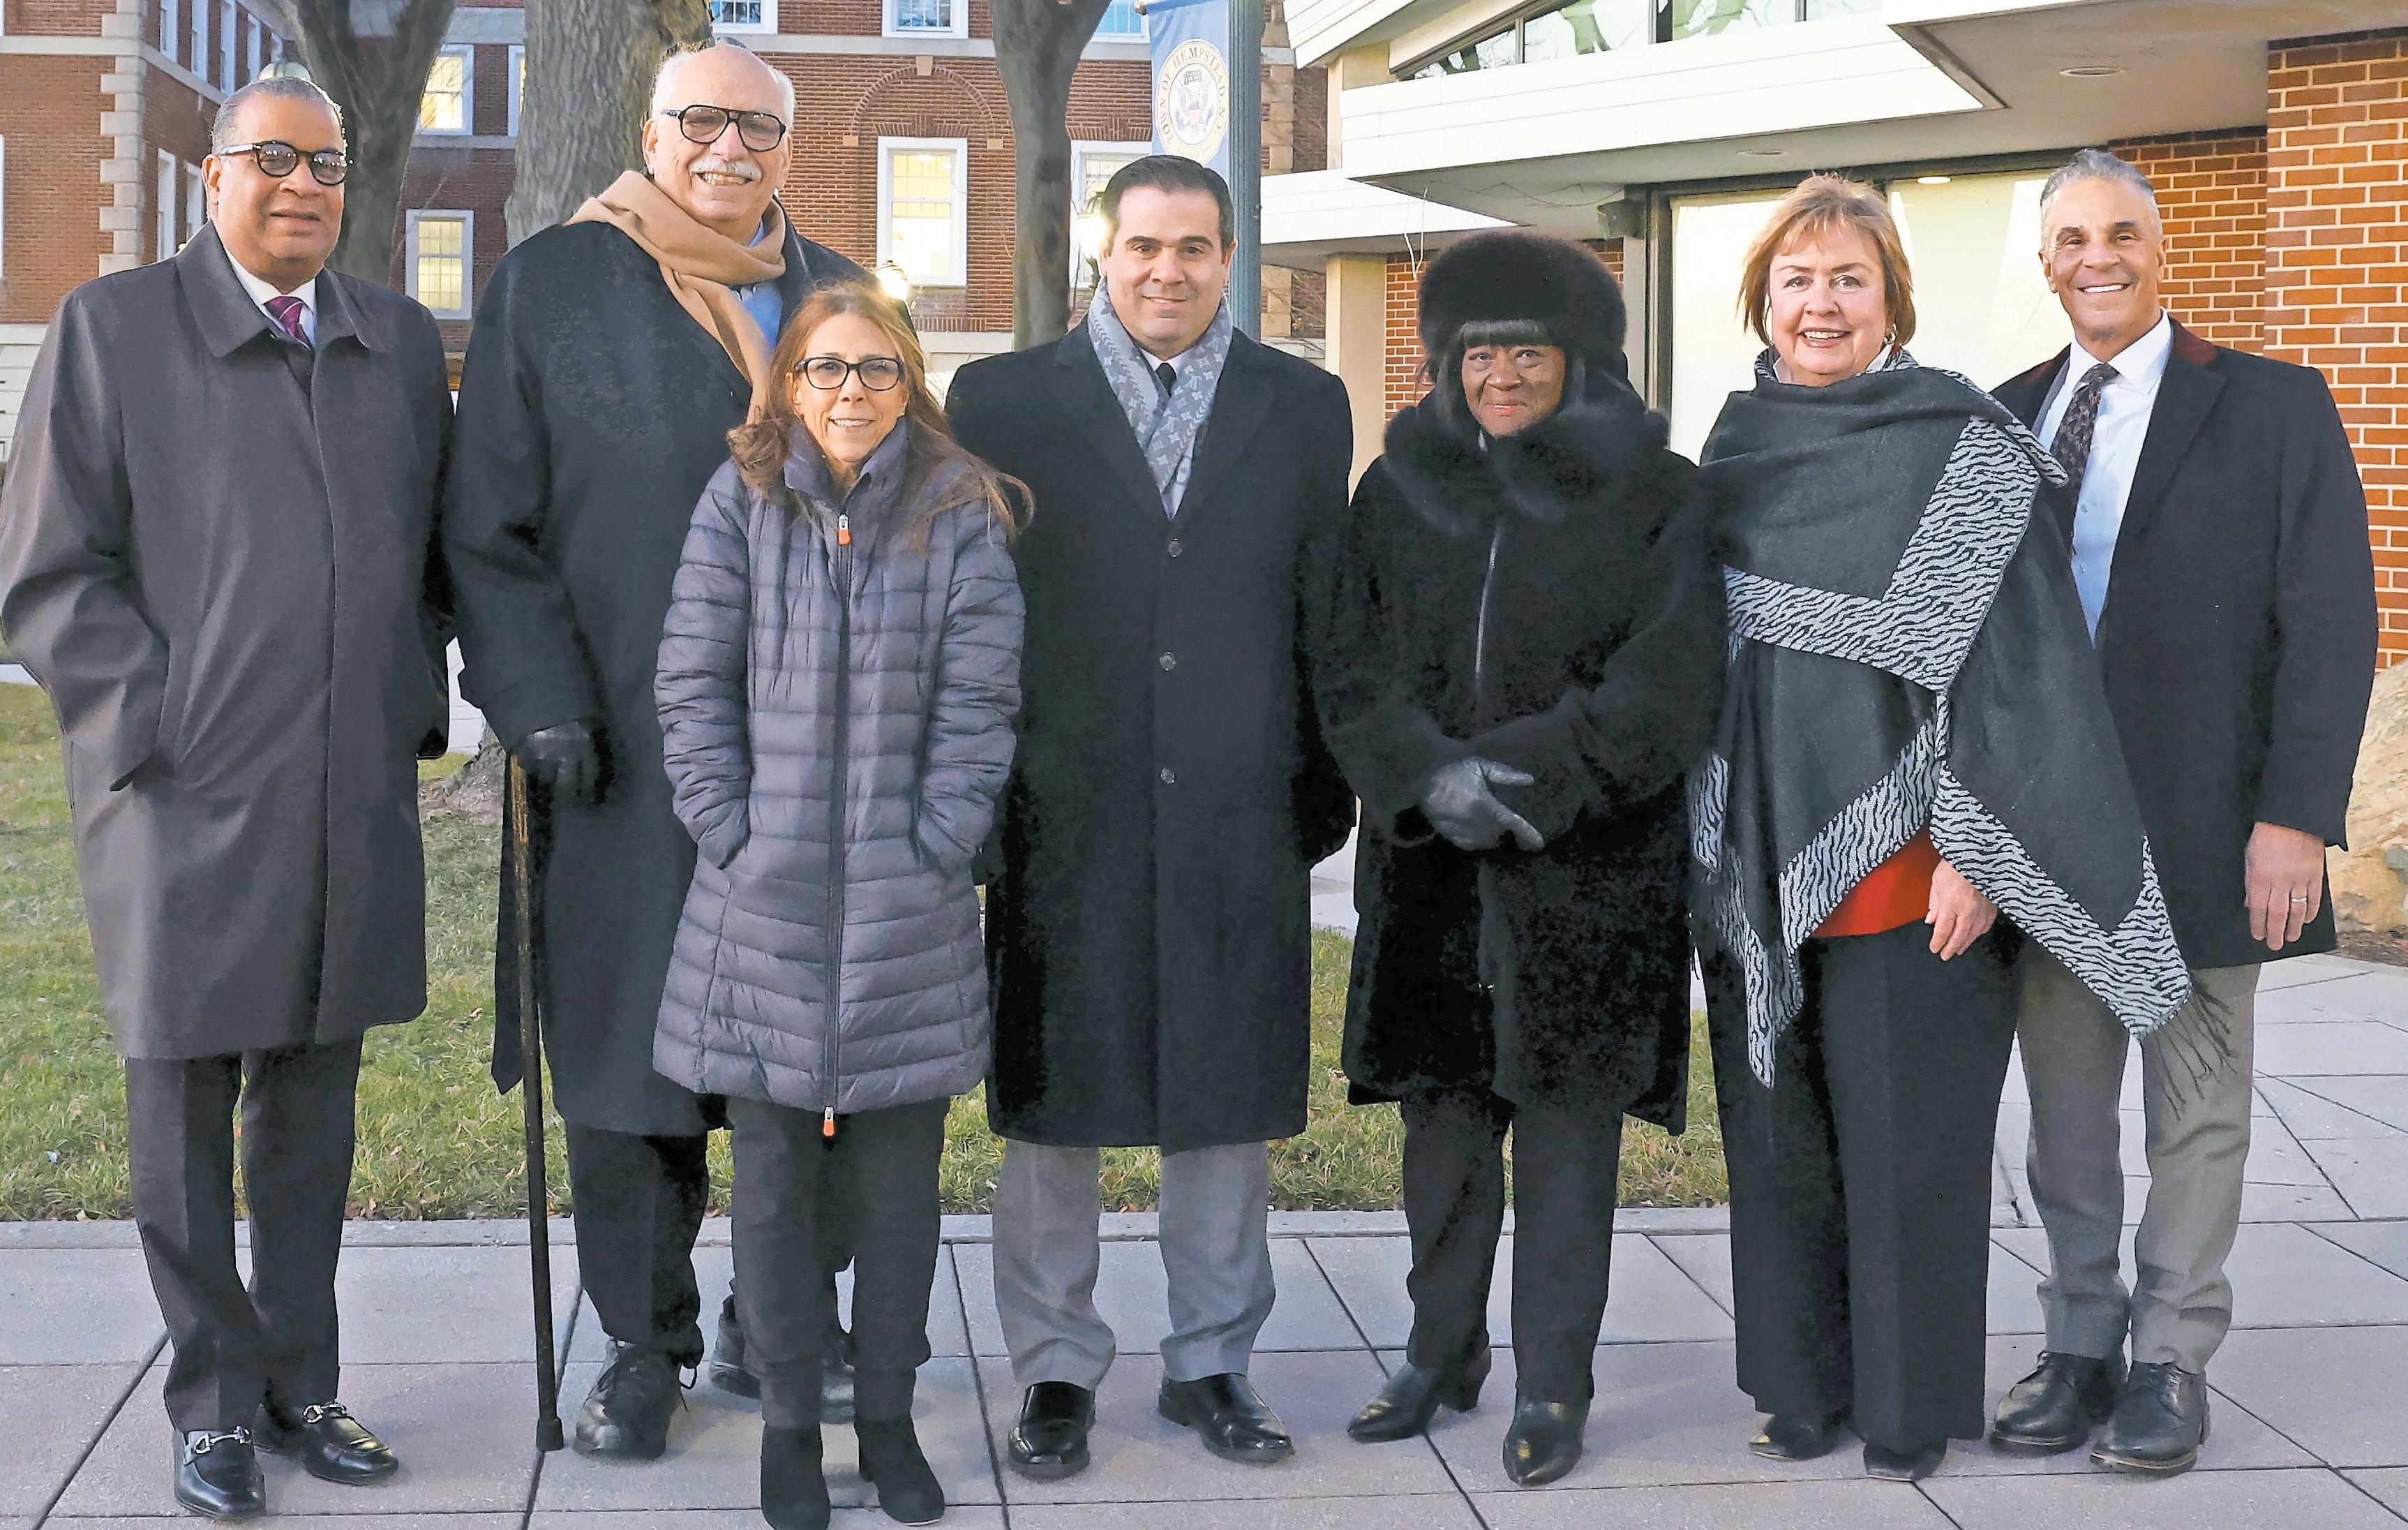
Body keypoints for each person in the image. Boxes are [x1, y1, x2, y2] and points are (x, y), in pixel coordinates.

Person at [1690, 174, 2193, 1483]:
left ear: (1892, 301)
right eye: (1798, 280)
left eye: (1850, 280)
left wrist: (1980, 852)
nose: (1822, 304)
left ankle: (1906, 1410)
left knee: (1911, 1150)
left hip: (1920, 868)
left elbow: (2024, 665)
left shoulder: (1961, 445)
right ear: (1763, 300)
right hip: (1760, 859)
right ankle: (1801, 1388)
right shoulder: (1732, 447)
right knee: (1781, 1139)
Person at [0, 76, 449, 1521]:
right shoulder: (112, 331)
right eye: (273, 158)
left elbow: (431, 554)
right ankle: (210, 1407)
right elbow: (48, 572)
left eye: (328, 162)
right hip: (180, 799)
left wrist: (405, 701)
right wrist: (158, 720)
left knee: (313, 1107)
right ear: (212, 176)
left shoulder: (394, 341)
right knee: (186, 1113)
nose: (304, 184)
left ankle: (301, 1383)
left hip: (342, 795)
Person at [443, 40, 867, 1460]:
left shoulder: (839, 295)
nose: (727, 147)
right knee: (632, 1058)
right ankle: (642, 1340)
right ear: (650, 133)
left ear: (787, 148)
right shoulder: (556, 283)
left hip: (814, 758)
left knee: (811, 1056)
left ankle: (777, 1314)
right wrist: (535, 698)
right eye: (700, 121)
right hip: (620, 750)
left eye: (757, 126)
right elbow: (487, 526)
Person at [945, 156, 1355, 1477]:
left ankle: (1212, 1360)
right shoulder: (1002, 400)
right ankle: (1054, 1367)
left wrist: (1318, 784)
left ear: (1230, 259)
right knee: (1054, 1097)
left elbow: (1321, 603)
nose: (1166, 271)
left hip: (1240, 799)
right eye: (1143, 247)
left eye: (1193, 248)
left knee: (1223, 1090)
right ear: (1102, 254)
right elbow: (972, 609)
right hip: (1062, 798)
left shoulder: (1303, 403)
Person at [1986, 150, 2378, 1476]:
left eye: (2122, 234)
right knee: (2066, 1119)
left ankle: (2171, 1358)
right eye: (2071, 238)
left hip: (2211, 827)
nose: (2097, 257)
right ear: (2046, 262)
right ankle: (2079, 1342)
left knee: (2197, 1109)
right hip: (2054, 832)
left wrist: (2296, 818)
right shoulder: (2004, 418)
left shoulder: (2272, 404)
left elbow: (2332, 623)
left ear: (2161, 251)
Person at [1315, 231, 1726, 1485]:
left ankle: (1554, 1383)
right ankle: (1440, 1353)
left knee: (1564, 1134)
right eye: (1477, 352)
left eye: (1526, 351)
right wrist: (1428, 777)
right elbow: (1349, 665)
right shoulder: (1396, 491)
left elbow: (1668, 680)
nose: (1499, 375)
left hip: (1586, 874)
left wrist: (1526, 780)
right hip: (1431, 870)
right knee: (1442, 1129)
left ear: (1578, 358)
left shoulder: (1660, 495)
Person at [655, 283, 1024, 1530]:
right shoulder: (741, 500)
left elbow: (982, 701)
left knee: (898, 1196)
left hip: (907, 910)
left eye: (875, 369)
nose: (850, 392)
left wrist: (939, 839)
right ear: (789, 385)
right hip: (758, 911)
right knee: (771, 1194)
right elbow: (692, 682)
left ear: (909, 380)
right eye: (825, 369)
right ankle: (789, 1430)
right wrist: (731, 830)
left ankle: (888, 1419)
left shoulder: (959, 509)